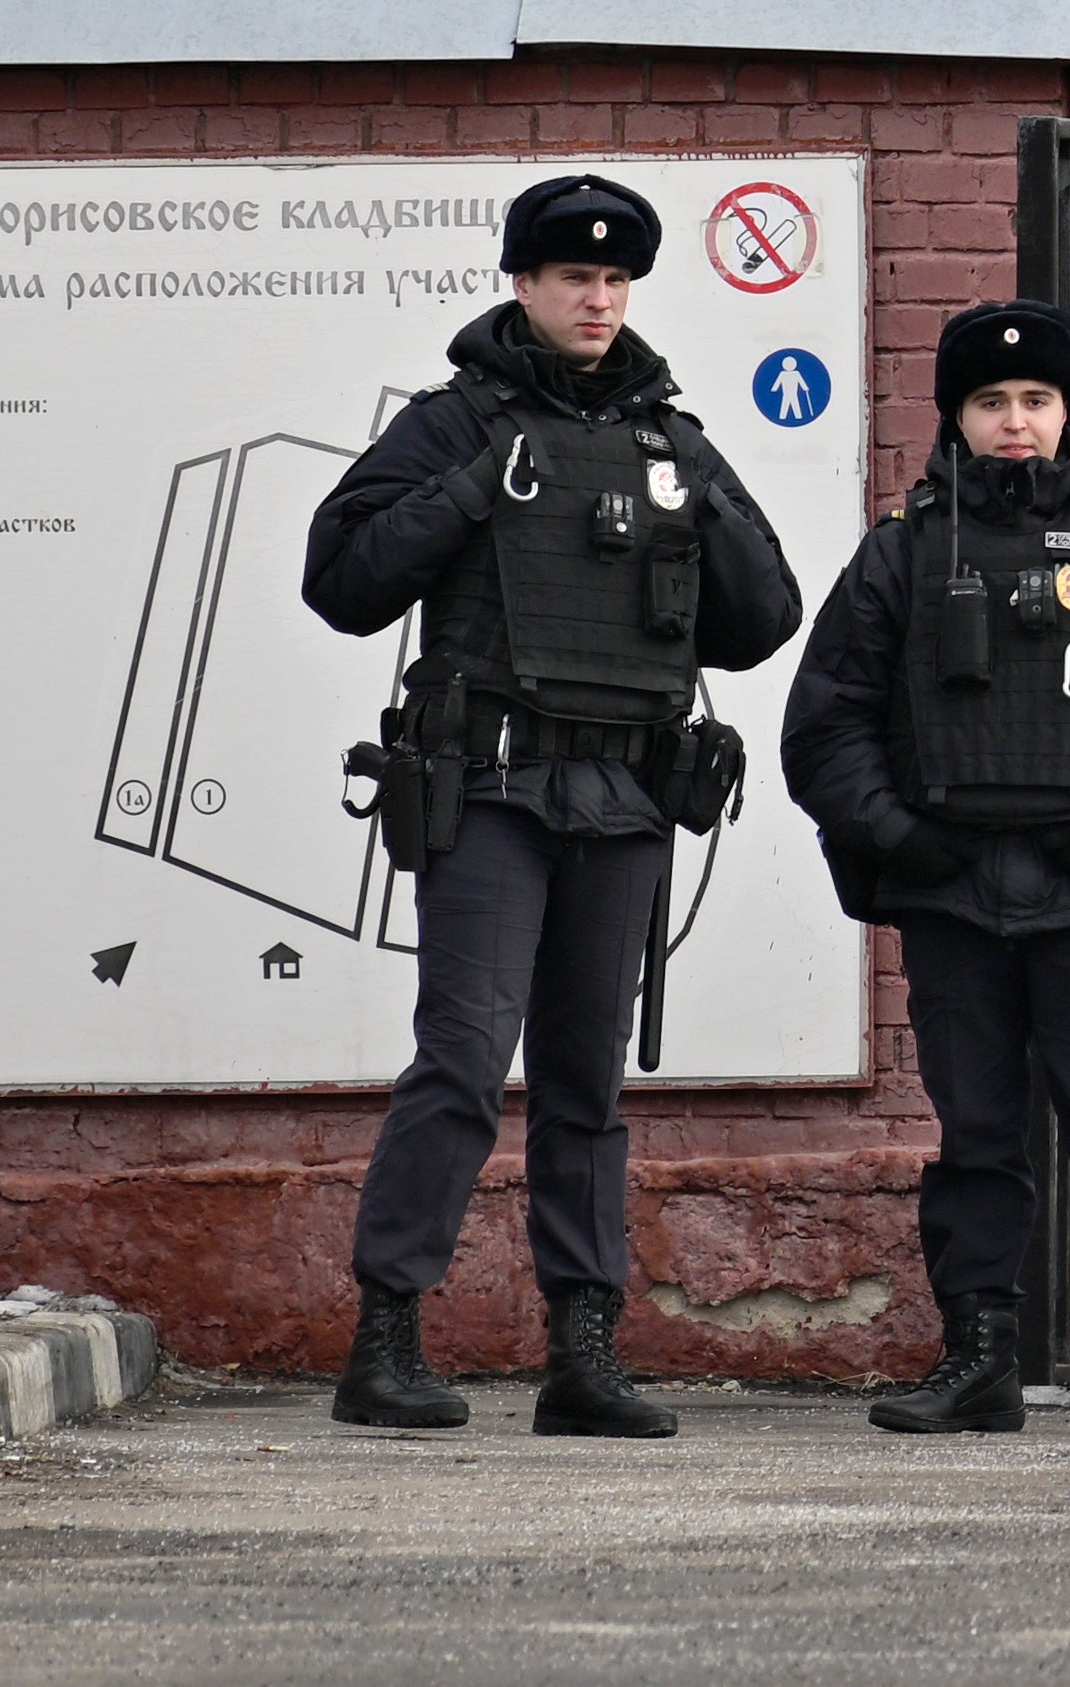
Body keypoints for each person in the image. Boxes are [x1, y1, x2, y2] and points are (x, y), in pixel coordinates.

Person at [303, 172, 803, 1439]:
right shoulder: (453, 421)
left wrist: (697, 497)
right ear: (520, 285)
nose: (597, 296)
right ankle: (386, 1340)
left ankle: (582, 1352)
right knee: (465, 1061)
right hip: (491, 785)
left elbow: (764, 620)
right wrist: (477, 485)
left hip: (625, 792)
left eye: (616, 278)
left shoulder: (671, 437)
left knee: (585, 1084)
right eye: (573, 276)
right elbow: (344, 579)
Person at [780, 300, 1070, 1437]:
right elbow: (823, 725)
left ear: (1066, 411)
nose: (1013, 421)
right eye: (990, 401)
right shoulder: (901, 549)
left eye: (1034, 400)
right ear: (955, 414)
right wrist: (899, 833)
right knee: (978, 1137)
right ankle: (979, 1359)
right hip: (953, 895)